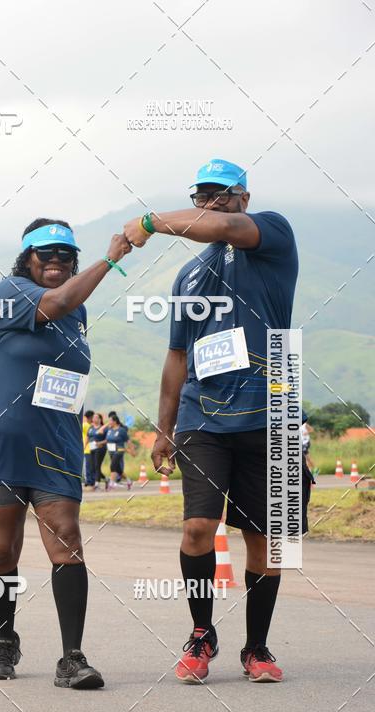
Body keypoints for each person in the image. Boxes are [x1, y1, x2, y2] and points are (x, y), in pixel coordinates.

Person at [125, 158, 300, 684]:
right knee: (199, 527)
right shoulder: (189, 276)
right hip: (204, 419)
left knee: (266, 537)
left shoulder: (272, 232)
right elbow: (177, 356)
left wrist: (151, 222)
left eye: (223, 194)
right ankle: (201, 636)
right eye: (203, 195)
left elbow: (226, 229)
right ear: (195, 200)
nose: (214, 203)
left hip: (269, 413)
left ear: (243, 197)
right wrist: (164, 427)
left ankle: (257, 649)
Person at [0, 217, 131, 687]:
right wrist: (113, 256)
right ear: (27, 258)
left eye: (66, 256)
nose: (56, 263)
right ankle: (5, 639)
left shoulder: (77, 314)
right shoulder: (11, 290)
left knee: (66, 537)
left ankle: (72, 658)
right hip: (2, 442)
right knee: (2, 551)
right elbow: (57, 301)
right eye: (47, 254)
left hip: (55, 444)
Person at [105, 413, 132, 489]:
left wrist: (131, 450)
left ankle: (112, 483)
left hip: (119, 450)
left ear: (115, 421)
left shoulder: (121, 430)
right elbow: (106, 439)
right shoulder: (109, 430)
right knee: (118, 469)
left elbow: (128, 441)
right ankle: (128, 480)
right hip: (111, 451)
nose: (109, 422)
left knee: (112, 466)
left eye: (110, 421)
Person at [88, 412, 108, 488]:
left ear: (100, 419)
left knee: (97, 465)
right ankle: (106, 479)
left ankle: (97, 483)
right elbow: (88, 437)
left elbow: (108, 439)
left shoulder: (103, 428)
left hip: (100, 448)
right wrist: (84, 446)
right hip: (92, 448)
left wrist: (100, 443)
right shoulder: (91, 428)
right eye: (93, 417)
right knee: (92, 467)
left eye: (96, 417)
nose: (94, 419)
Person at [82, 409, 95, 490]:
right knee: (88, 466)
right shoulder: (85, 425)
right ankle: (89, 481)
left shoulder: (91, 425)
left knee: (90, 466)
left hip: (91, 448)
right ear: (90, 417)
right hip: (87, 448)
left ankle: (90, 480)